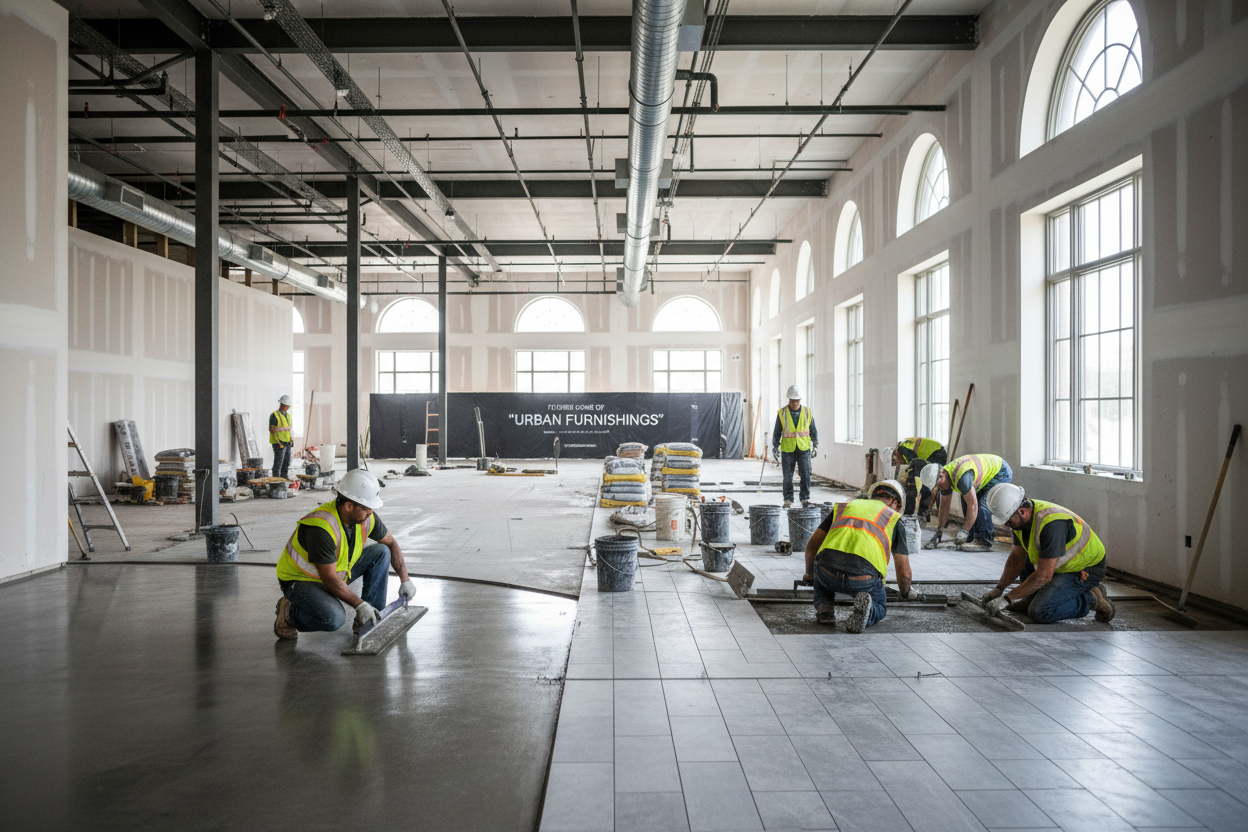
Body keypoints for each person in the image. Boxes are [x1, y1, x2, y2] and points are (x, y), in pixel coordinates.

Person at [273, 468, 415, 640]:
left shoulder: (365, 517)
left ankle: (370, 620)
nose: (370, 512)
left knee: (381, 552)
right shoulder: (321, 528)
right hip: (301, 580)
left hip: (335, 574)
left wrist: (405, 580)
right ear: (349, 506)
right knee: (333, 619)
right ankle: (288, 612)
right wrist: (360, 605)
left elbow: (391, 543)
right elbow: (329, 580)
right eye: (366, 508)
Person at [978, 484, 1116, 624]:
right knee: (1025, 558)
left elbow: (1044, 575)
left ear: (1022, 511)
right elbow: (1016, 558)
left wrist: (1007, 599)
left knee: (1040, 611)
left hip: (1084, 568)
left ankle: (1092, 598)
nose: (1006, 525)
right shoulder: (1020, 520)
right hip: (1058, 563)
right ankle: (1031, 598)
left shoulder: (1051, 524)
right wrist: (999, 589)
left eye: (1008, 521)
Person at [802, 479, 914, 633]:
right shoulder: (893, 520)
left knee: (820, 568)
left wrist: (809, 574)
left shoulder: (845, 507)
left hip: (827, 573)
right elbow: (905, 574)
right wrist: (905, 592)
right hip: (863, 580)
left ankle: (825, 609)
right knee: (880, 605)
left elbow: (812, 546)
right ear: (895, 503)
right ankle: (868, 613)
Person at [921, 452, 1013, 551]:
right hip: (986, 471)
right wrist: (939, 533)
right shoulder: (944, 479)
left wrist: (964, 530)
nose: (940, 487)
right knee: (965, 500)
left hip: (1000, 470)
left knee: (982, 504)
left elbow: (973, 506)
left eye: (939, 483)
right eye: (937, 487)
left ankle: (984, 540)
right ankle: (971, 536)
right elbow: (944, 507)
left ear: (941, 474)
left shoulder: (962, 477)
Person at [771, 385, 819, 508]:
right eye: (792, 401)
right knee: (787, 476)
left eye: (797, 401)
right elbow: (777, 431)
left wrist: (816, 445)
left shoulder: (807, 412)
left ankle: (805, 499)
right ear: (789, 400)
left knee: (806, 474)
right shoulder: (782, 413)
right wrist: (775, 447)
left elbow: (813, 430)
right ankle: (788, 500)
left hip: (804, 449)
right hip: (788, 450)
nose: (795, 403)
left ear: (800, 400)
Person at [891, 436, 947, 520]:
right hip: (938, 452)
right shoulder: (906, 443)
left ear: (896, 453)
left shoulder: (903, 449)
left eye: (897, 460)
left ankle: (923, 512)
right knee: (932, 484)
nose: (899, 462)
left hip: (936, 454)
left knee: (925, 484)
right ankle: (925, 512)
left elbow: (913, 462)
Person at [270, 394, 295, 480]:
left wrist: (291, 438)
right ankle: (276, 480)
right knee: (278, 463)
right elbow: (272, 430)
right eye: (287, 406)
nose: (288, 408)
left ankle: (284, 478)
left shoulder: (288, 415)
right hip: (278, 443)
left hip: (287, 442)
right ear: (282, 405)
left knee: (286, 462)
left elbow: (288, 429)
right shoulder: (274, 415)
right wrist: (279, 442)